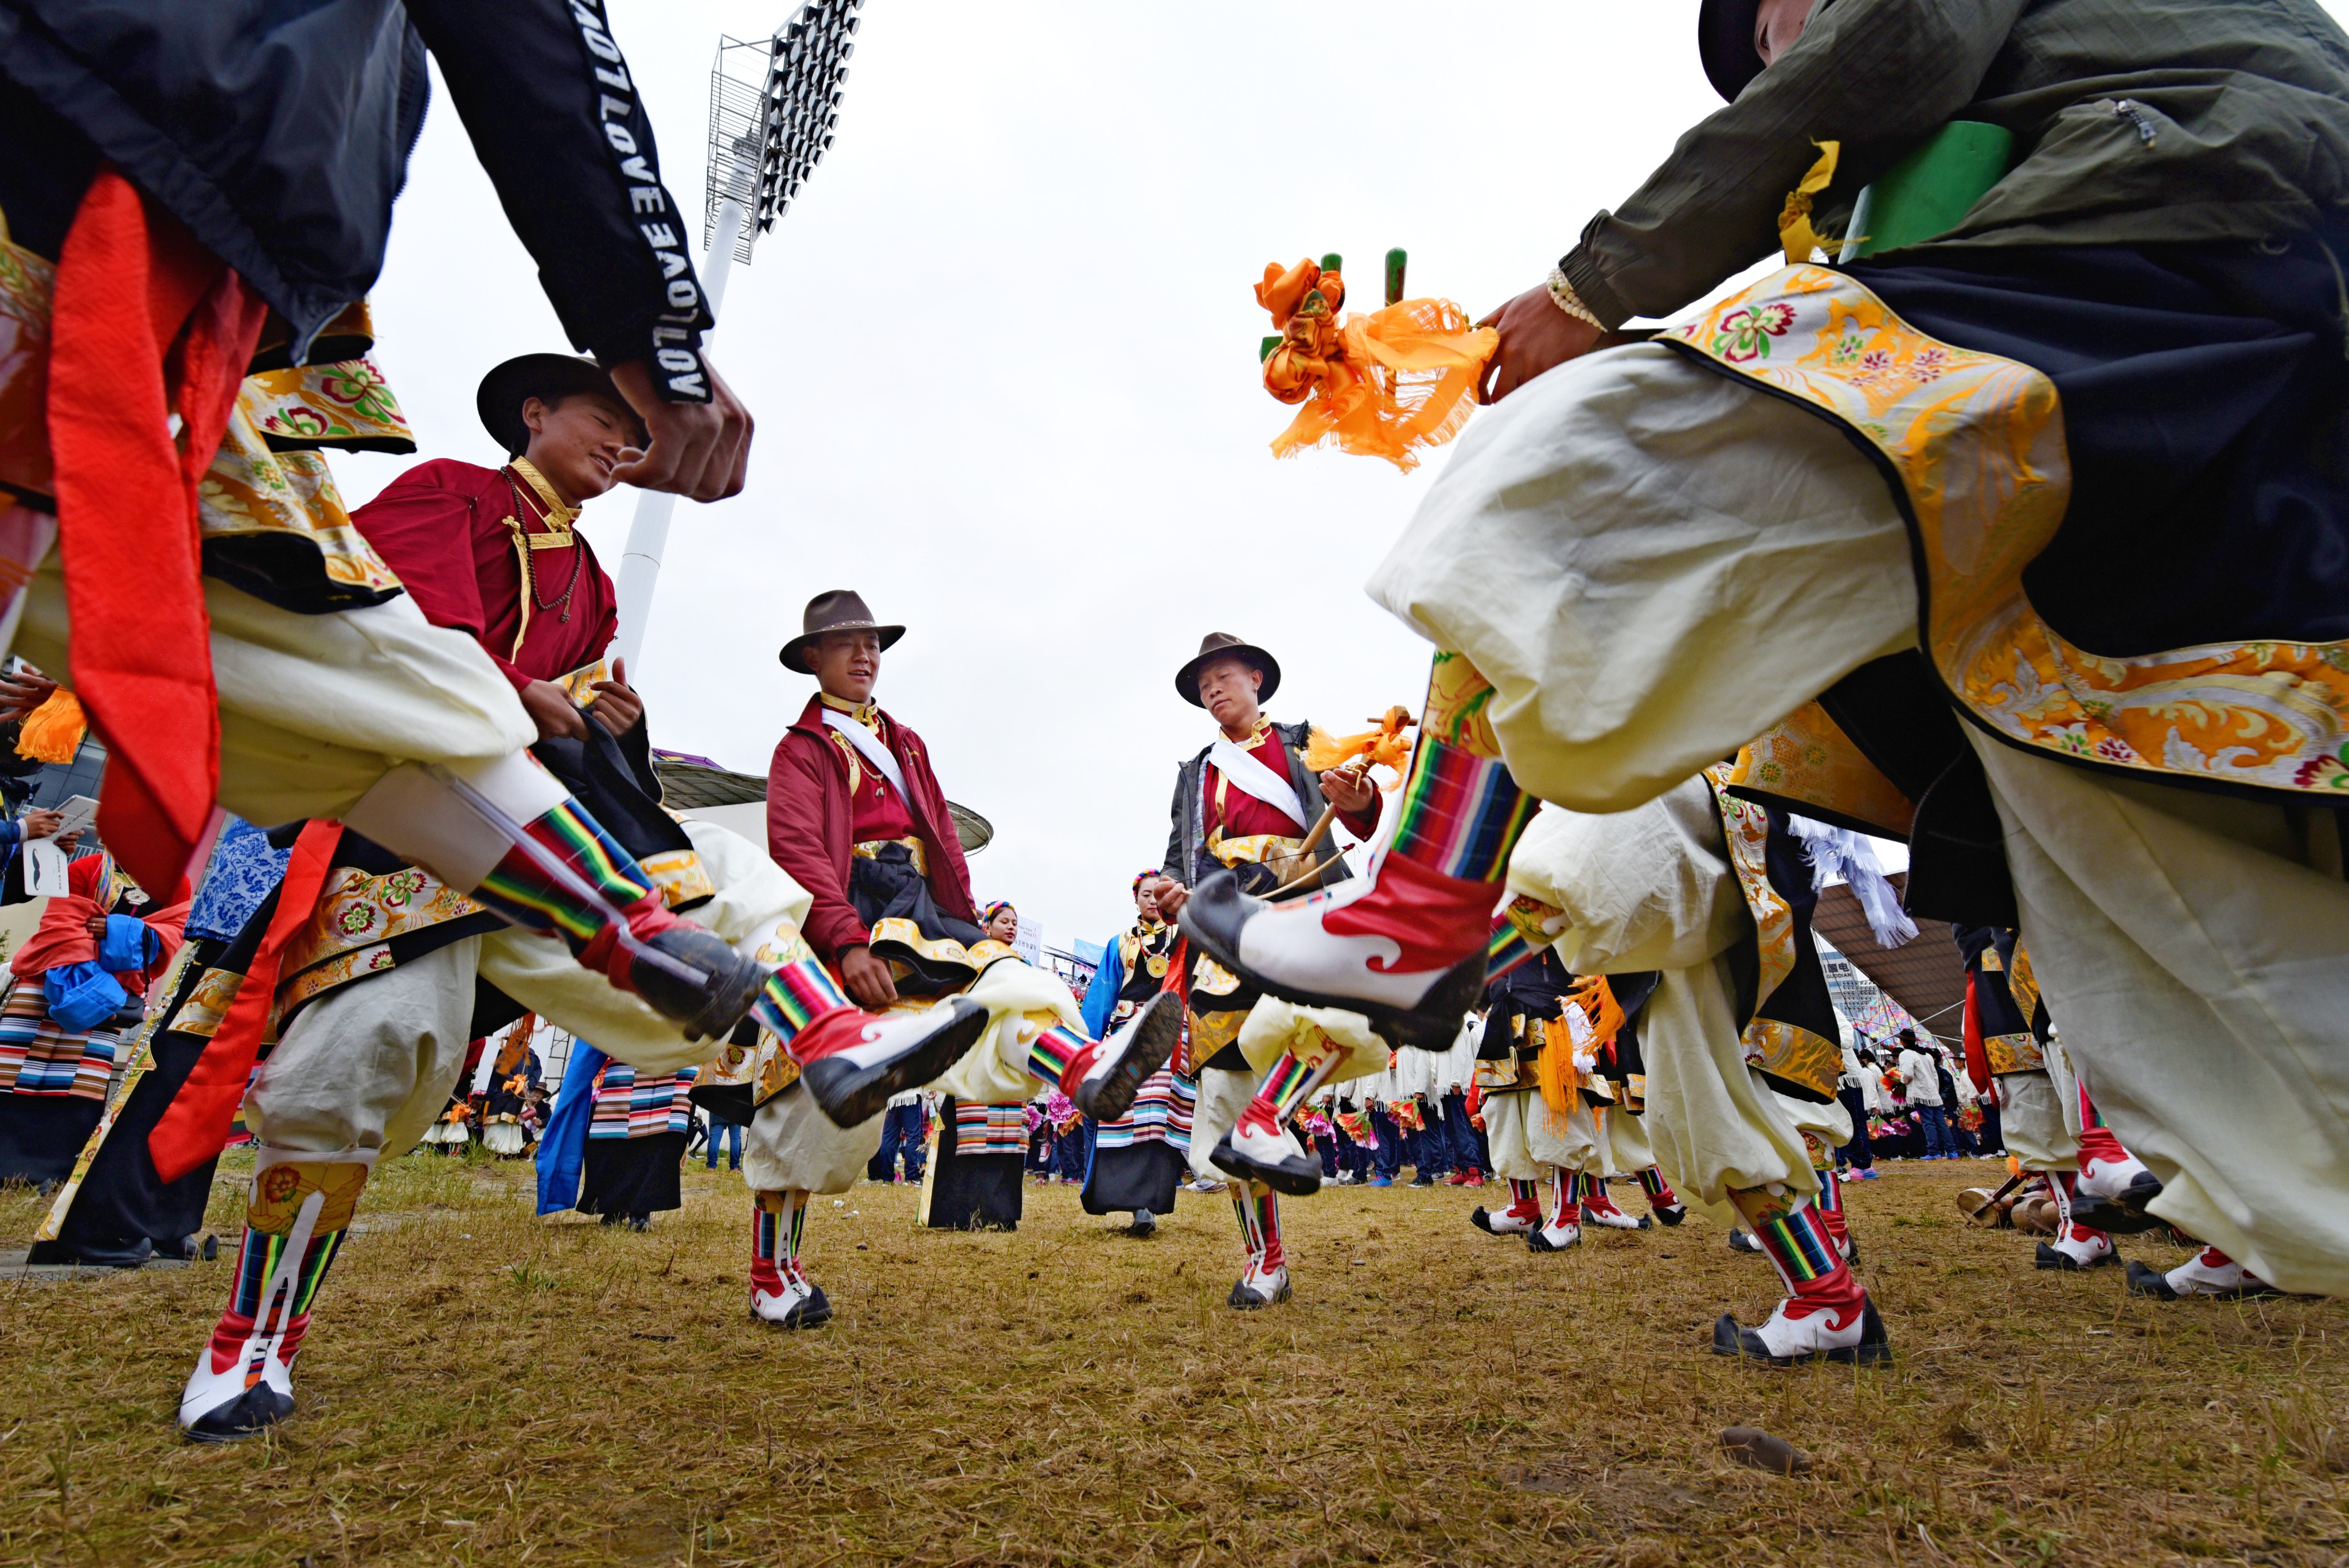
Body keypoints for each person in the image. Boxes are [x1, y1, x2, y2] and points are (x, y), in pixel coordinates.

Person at [1183, 0, 2349, 1300]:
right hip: (2226, 297)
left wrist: (1593, 289)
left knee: (1573, 465)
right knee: (2202, 931)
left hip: (2167, 218)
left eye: (1774, 27)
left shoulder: (2022, 91)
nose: (1775, 56)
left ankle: (1420, 904)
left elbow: (1894, 42)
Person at [738, 591, 1177, 1324]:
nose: (864, 655)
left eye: (873, 642)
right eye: (845, 644)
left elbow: (941, 837)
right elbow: (796, 849)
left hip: (920, 906)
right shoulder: (802, 749)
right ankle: (771, 1274)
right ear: (812, 658)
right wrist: (845, 940)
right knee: (808, 1090)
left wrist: (967, 921)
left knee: (1007, 982)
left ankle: (1085, 1072)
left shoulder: (908, 742)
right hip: (847, 905)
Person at [1148, 633, 1388, 1308]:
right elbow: (1178, 857)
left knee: (1325, 1025)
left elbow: (1362, 817)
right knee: (1224, 1084)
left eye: (1223, 677)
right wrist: (1167, 887)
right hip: (1226, 925)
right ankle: (1265, 1258)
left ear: (1255, 677)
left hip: (1305, 909)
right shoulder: (1196, 771)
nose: (1214, 691)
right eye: (1203, 687)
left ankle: (1273, 1113)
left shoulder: (1306, 742)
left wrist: (1357, 796)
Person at [0, 851, 184, 1186]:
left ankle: (54, 1171)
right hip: (49, 979)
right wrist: (98, 976)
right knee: (11, 1071)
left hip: (110, 1000)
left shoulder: (177, 884)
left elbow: (171, 936)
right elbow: (61, 925)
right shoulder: (87, 867)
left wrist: (114, 930)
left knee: (79, 1084)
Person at [1076, 871, 1196, 1234]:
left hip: (1169, 1036)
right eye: (1146, 895)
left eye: (1158, 895)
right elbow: (1102, 995)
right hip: (1126, 1034)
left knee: (1158, 1118)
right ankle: (1125, 1197)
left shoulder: (1184, 938)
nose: (1153, 901)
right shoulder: (1120, 943)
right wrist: (1087, 1045)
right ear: (1136, 900)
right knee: (1123, 1110)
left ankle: (1147, 1204)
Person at [1896, 1032, 1953, 1161]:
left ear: (1903, 1042)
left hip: (1920, 1093)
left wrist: (1902, 1083)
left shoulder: (1906, 1054)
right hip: (1933, 1093)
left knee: (1928, 1123)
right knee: (1941, 1123)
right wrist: (1935, 1092)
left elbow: (1908, 1074)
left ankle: (1934, 1152)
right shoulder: (1926, 1055)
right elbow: (1934, 1076)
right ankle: (1952, 1151)